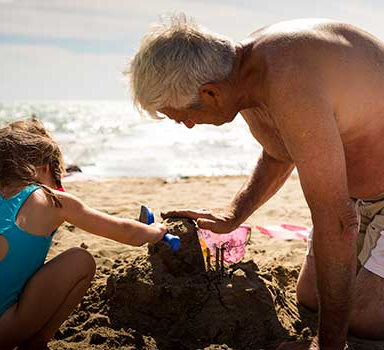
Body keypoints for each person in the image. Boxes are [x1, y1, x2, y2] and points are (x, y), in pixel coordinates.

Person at [126, 14, 384, 350]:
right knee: (310, 297)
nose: (188, 125)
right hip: (362, 196)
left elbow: (337, 223)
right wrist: (234, 214)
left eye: (182, 116)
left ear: (210, 93)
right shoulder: (243, 71)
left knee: (361, 319)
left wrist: (327, 345)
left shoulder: (290, 78)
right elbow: (280, 152)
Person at [0, 118, 166, 350]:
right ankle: (36, 342)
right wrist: (154, 232)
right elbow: (125, 232)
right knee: (80, 260)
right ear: (44, 166)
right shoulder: (51, 200)